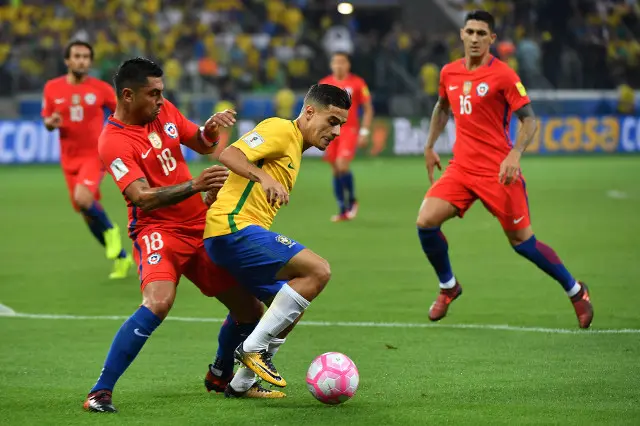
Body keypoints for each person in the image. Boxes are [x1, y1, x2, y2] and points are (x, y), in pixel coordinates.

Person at [84, 58, 265, 413]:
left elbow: (202, 143)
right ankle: (99, 392)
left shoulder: (163, 110)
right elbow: (141, 197)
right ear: (127, 95)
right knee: (158, 302)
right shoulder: (113, 141)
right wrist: (195, 185)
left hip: (200, 226)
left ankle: (220, 374)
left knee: (249, 309)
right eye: (153, 93)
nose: (160, 99)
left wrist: (210, 130)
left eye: (161, 92)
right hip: (157, 231)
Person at [418, 10, 593, 328]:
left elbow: (530, 120)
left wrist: (515, 154)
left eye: (481, 33)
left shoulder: (503, 75)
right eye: (470, 32)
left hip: (498, 171)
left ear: (492, 38)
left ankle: (576, 290)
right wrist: (430, 145)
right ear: (461, 34)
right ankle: (448, 287)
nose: (474, 38)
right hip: (461, 169)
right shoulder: (449, 72)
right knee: (426, 221)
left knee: (523, 243)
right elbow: (442, 107)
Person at [203, 84, 351, 389]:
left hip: (238, 231)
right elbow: (230, 154)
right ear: (309, 112)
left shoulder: (295, 147)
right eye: (332, 121)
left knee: (291, 307)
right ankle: (252, 349)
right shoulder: (281, 129)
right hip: (233, 228)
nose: (336, 132)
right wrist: (264, 177)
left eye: (341, 125)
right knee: (318, 270)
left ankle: (241, 383)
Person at [42, 40, 131, 278]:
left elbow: (122, 112)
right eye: (77, 56)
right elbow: (47, 120)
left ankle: (111, 231)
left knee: (83, 198)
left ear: (90, 62)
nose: (81, 61)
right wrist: (51, 123)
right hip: (69, 158)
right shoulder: (52, 88)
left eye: (85, 57)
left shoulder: (100, 89)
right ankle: (121, 257)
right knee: (86, 212)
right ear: (67, 60)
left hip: (94, 154)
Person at [319, 52, 374, 222]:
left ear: (348, 65)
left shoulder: (357, 83)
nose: (339, 65)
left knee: (342, 165)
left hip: (348, 130)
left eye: (342, 62)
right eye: (335, 62)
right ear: (331, 65)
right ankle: (342, 209)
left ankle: (352, 201)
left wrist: (364, 132)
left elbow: (368, 109)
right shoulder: (324, 83)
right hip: (329, 130)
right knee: (335, 169)